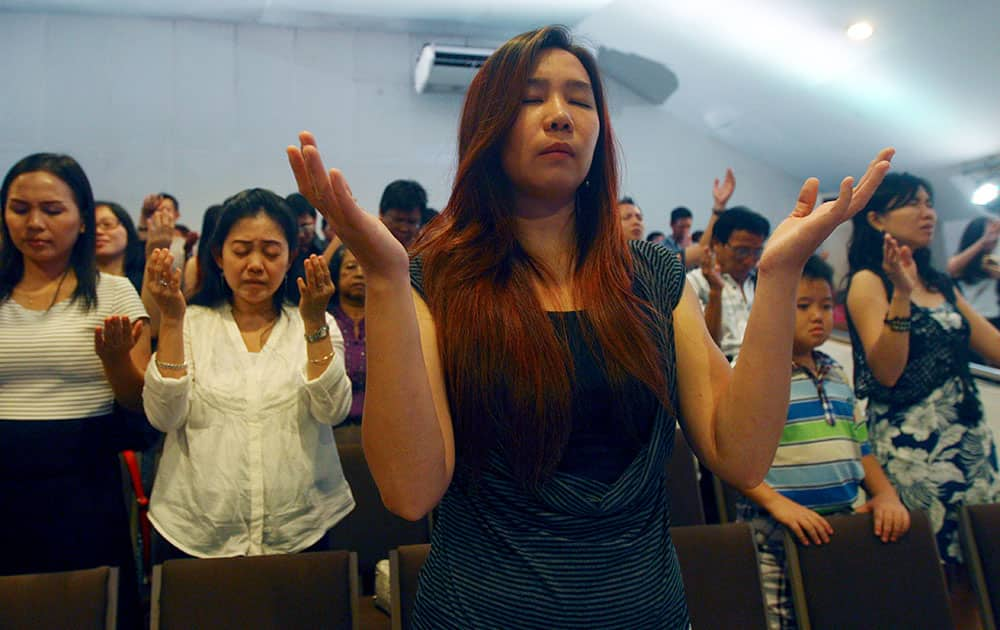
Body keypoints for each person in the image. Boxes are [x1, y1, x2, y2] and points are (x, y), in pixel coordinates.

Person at [288, 24, 892, 628]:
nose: (560, 116)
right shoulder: (434, 279)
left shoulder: (649, 274)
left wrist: (780, 274)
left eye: (580, 99)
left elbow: (743, 455)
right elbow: (408, 490)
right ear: (486, 127)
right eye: (532, 98)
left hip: (642, 608)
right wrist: (389, 282)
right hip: (484, 610)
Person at [142, 188, 355, 560]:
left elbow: (332, 411)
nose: (256, 264)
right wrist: (172, 321)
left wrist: (315, 322)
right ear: (218, 256)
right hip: (196, 531)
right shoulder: (193, 324)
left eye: (271, 253)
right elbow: (164, 416)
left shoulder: (315, 324)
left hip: (298, 528)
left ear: (290, 259)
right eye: (241, 251)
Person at [0, 153, 156, 627]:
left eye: (52, 209)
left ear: (83, 220)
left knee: (88, 606)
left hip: (82, 479)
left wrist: (113, 361)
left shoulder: (113, 292)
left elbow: (138, 400)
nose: (34, 223)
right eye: (19, 208)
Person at [845, 173, 1000, 603]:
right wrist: (900, 292)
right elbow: (888, 372)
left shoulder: (940, 284)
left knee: (978, 576)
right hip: (914, 453)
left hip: (969, 449)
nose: (928, 212)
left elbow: (993, 346)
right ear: (876, 219)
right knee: (934, 582)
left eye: (930, 202)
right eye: (913, 203)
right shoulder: (867, 281)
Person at [737, 255, 910, 630]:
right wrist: (778, 505)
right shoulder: (755, 372)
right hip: (776, 528)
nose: (818, 315)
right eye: (803, 306)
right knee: (782, 618)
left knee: (839, 612)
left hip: (841, 524)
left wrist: (886, 495)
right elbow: (731, 456)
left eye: (826, 305)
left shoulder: (835, 371)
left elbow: (859, 446)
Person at [687, 206, 771, 360]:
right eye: (742, 251)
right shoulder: (694, 283)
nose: (749, 260)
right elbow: (704, 348)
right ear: (716, 244)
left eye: (757, 252)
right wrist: (715, 292)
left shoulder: (759, 282)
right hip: (721, 366)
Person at [328, 245, 367, 440]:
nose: (359, 274)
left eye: (366, 267)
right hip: (329, 431)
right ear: (336, 274)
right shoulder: (324, 319)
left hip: (379, 432)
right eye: (351, 267)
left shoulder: (389, 322)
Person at [948, 216, 1000, 344]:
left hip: (994, 317)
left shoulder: (990, 259)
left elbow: (995, 270)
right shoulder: (964, 260)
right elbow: (952, 268)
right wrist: (983, 242)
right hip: (971, 319)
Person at [95, 200, 145, 293]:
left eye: (107, 224)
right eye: (91, 227)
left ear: (127, 229)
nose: (98, 231)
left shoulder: (144, 282)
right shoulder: (71, 283)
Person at [285, 192, 325, 304]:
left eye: (305, 226)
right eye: (295, 228)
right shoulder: (282, 254)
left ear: (315, 219)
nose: (301, 234)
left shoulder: (327, 250)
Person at [379, 179, 426, 248]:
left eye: (411, 222)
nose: (404, 228)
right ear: (381, 214)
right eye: (398, 220)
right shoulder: (361, 248)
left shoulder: (428, 255)